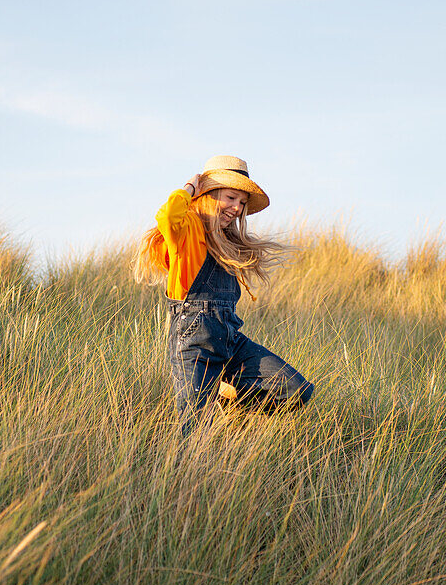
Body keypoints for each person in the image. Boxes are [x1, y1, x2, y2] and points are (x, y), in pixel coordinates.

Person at [134, 155, 314, 437]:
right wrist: (190, 188)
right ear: (209, 193)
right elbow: (168, 217)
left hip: (230, 340)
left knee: (295, 390)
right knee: (194, 434)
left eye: (242, 202)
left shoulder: (226, 243)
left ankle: (227, 399)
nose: (236, 208)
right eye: (231, 197)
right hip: (194, 344)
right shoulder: (189, 230)